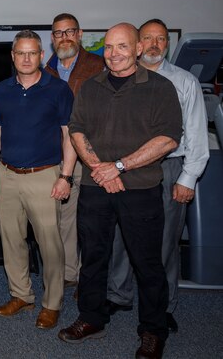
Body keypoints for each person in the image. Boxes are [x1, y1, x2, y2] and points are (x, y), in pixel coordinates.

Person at [59, 23, 182, 359]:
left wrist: (121, 167)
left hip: (140, 188)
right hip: (95, 186)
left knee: (147, 263)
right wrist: (101, 169)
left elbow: (168, 137)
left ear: (138, 49)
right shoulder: (91, 86)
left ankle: (153, 330)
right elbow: (77, 129)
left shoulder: (160, 88)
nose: (113, 55)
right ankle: (91, 318)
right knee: (94, 258)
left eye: (122, 47)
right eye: (109, 48)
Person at [106, 18, 209, 333]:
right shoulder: (120, 79)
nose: (153, 45)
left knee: (164, 242)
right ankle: (119, 294)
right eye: (147, 38)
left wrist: (187, 178)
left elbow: (195, 134)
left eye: (160, 39)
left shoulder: (184, 82)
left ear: (168, 44)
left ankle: (162, 307)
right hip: (123, 168)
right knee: (121, 236)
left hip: (167, 170)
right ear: (137, 45)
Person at [0, 30, 75, 330]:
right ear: (12, 56)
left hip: (45, 176)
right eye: (20, 53)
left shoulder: (58, 90)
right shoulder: (1, 90)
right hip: (7, 175)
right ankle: (21, 295)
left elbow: (68, 136)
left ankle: (52, 304)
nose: (26, 58)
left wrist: (66, 176)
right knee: (12, 240)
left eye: (32, 53)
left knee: (50, 245)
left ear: (40, 55)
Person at [43, 13, 105, 291]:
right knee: (64, 219)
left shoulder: (98, 66)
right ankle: (70, 273)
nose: (64, 37)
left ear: (80, 34)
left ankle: (89, 281)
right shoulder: (46, 70)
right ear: (53, 38)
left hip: (92, 157)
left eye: (70, 32)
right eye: (58, 33)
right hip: (56, 156)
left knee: (92, 222)